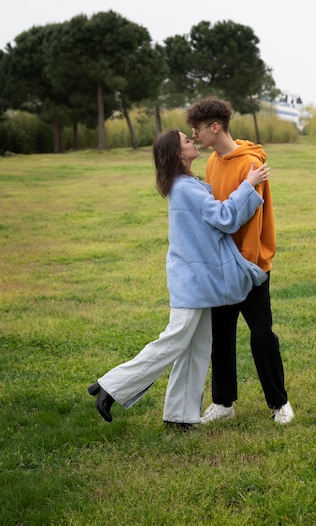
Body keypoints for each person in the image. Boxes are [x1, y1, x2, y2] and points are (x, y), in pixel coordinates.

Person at [88, 129, 269, 428]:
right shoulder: (186, 188)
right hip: (192, 282)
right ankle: (112, 386)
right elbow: (225, 218)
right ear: (178, 154)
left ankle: (180, 417)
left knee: (196, 348)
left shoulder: (184, 184)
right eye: (186, 140)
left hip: (197, 281)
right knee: (173, 342)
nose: (192, 141)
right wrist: (248, 186)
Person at [185, 96, 294, 425]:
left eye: (198, 129)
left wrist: (247, 265)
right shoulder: (213, 161)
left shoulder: (251, 165)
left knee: (262, 334)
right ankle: (223, 403)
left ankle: (280, 403)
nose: (194, 136)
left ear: (215, 127)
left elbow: (250, 219)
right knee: (221, 333)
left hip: (249, 266)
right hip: (221, 264)